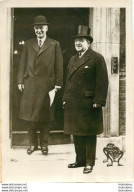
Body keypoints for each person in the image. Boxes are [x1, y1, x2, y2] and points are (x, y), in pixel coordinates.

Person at [63, 25, 108, 174]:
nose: (78, 43)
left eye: (81, 40)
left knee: (89, 133)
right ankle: (80, 160)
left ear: (88, 43)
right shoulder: (72, 59)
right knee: (76, 133)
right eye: (76, 40)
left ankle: (89, 163)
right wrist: (65, 98)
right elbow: (68, 81)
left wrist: (99, 100)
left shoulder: (96, 58)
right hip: (74, 103)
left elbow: (102, 82)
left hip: (89, 103)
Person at [17, 15, 63, 155]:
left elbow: (59, 65)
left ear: (46, 28)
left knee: (45, 118)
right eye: (37, 28)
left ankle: (44, 145)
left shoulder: (54, 44)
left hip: (47, 86)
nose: (39, 31)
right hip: (30, 85)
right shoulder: (28, 44)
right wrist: (20, 81)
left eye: (41, 28)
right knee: (30, 117)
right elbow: (22, 63)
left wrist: (58, 84)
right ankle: (32, 144)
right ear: (34, 29)